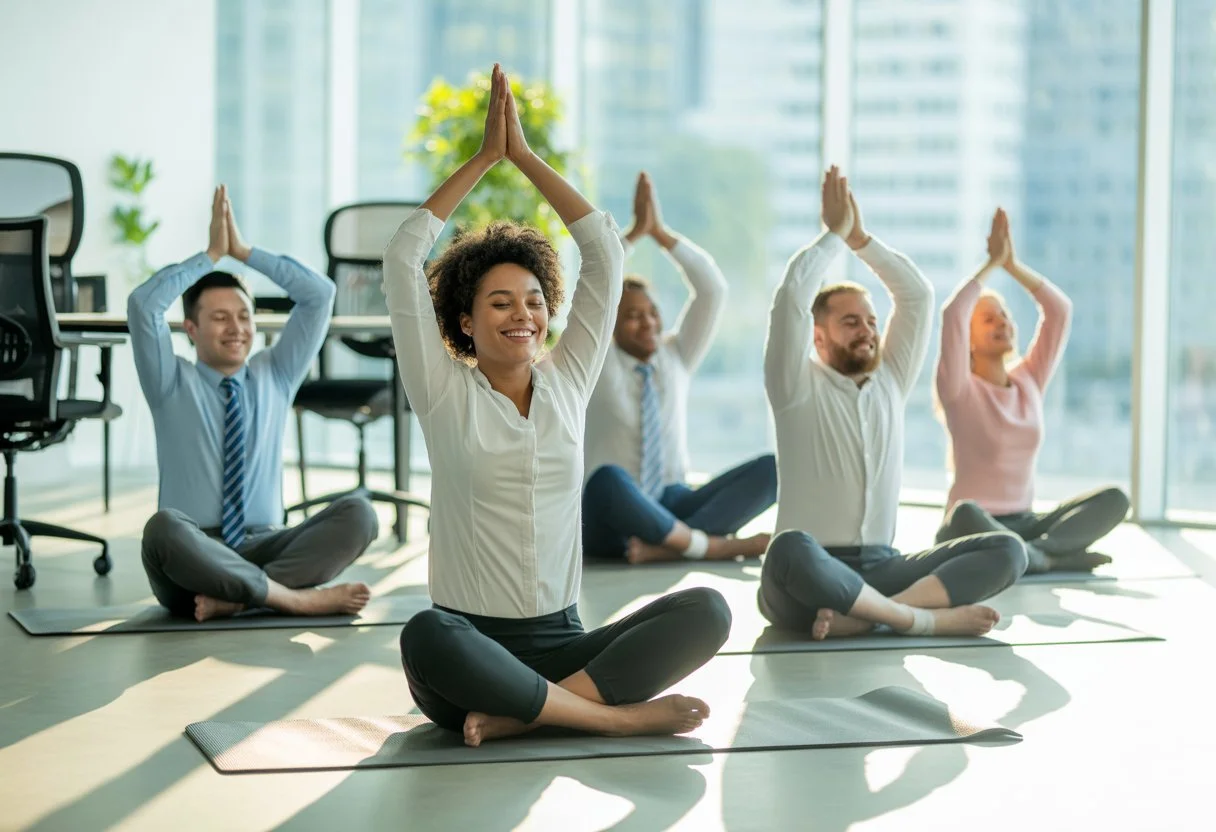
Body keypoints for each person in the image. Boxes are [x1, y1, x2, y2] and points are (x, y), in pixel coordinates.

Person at [388, 65, 730, 747]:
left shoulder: (570, 379)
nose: (524, 314)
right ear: (463, 322)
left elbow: (601, 249)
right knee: (425, 633)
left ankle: (537, 714)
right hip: (469, 657)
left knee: (709, 609)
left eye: (535, 300)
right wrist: (485, 160)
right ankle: (606, 719)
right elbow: (402, 258)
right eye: (500, 302)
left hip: (563, 644)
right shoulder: (442, 389)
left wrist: (527, 158)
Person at [758, 166, 1027, 640]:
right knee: (789, 549)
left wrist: (861, 240)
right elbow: (792, 298)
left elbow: (917, 296)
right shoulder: (794, 384)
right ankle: (919, 620)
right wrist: (833, 236)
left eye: (871, 320)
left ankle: (868, 616)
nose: (866, 331)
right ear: (817, 338)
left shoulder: (891, 380)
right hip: (807, 580)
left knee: (1008, 550)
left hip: (880, 570)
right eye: (850, 323)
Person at [129, 186, 377, 622]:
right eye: (220, 317)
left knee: (360, 514)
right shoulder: (170, 380)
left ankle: (244, 598)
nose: (236, 328)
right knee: (162, 529)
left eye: (244, 316)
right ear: (191, 328)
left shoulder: (275, 374)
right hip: (194, 555)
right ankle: (292, 599)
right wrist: (210, 256)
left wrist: (243, 253)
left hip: (264, 541)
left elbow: (318, 294)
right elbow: (143, 305)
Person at [581, 171, 775, 564]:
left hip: (672, 502)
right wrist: (633, 235)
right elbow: (597, 286)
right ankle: (710, 546)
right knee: (607, 479)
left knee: (775, 468)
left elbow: (712, 289)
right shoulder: (594, 360)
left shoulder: (676, 355)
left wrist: (662, 234)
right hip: (615, 511)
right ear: (611, 323)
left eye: (653, 313)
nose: (649, 322)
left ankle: (664, 548)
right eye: (633, 316)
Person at [932, 208, 1129, 572]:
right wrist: (991, 264)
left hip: (1026, 523)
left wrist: (1012, 265)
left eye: (1005, 315)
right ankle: (1048, 557)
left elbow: (1059, 311)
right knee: (964, 514)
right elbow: (952, 313)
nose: (1003, 322)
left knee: (1116, 499)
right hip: (974, 527)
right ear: (968, 340)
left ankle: (1037, 556)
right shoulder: (959, 390)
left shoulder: (1028, 381)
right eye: (988, 319)